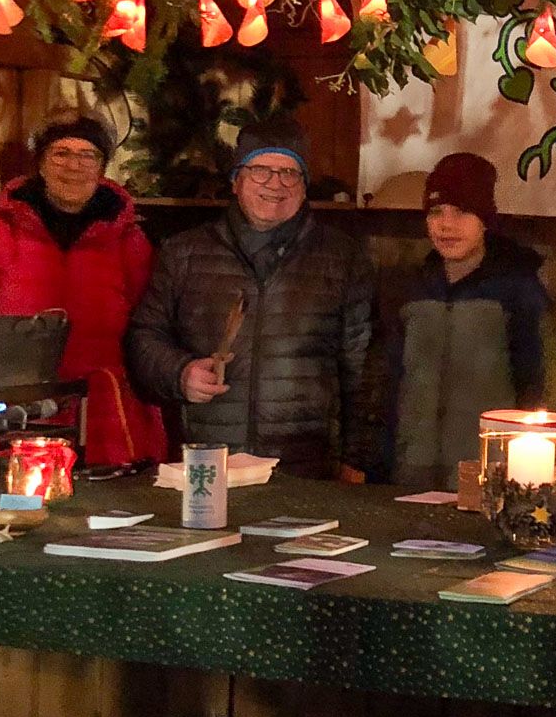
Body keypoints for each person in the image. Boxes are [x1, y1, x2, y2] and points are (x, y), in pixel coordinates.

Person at [125, 120, 376, 481]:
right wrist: (180, 373)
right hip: (207, 461)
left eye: (290, 173)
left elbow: (363, 365)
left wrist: (356, 458)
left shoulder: (343, 258)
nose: (275, 184)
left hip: (306, 466)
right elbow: (144, 336)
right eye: (260, 171)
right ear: (235, 180)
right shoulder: (185, 253)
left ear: (303, 187)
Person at [0, 113, 164, 469]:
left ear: (102, 167)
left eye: (87, 155)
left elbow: (151, 324)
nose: (74, 165)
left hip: (108, 411)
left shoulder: (128, 239)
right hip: (20, 406)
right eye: (61, 153)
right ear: (41, 164)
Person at [380, 153, 556, 490]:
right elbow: (388, 385)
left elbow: (541, 385)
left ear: (485, 221)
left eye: (462, 212)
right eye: (436, 212)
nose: (446, 225)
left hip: (488, 473)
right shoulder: (409, 292)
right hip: (410, 472)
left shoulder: (519, 291)